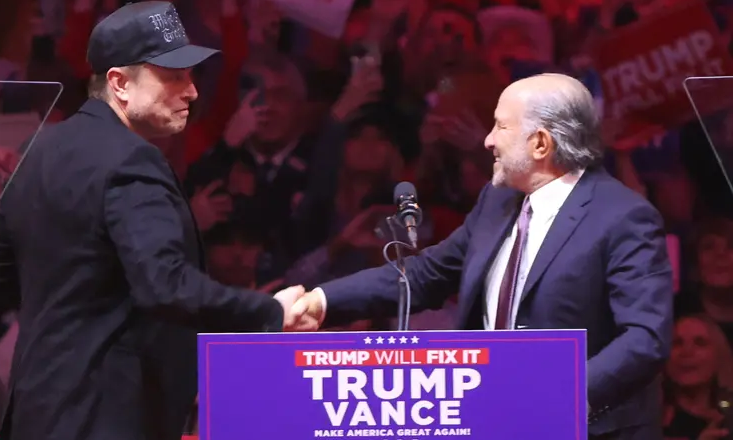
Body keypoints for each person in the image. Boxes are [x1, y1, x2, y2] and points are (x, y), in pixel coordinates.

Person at [0, 1, 309, 440]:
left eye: (190, 76)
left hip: (33, 412)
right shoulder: (133, 162)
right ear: (120, 83)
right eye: (173, 76)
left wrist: (76, 305)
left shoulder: (43, 149)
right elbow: (165, 285)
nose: (192, 91)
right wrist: (267, 311)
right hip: (109, 420)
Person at [288, 73, 674, 440]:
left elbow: (644, 337)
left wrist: (562, 399)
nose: (488, 141)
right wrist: (320, 302)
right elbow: (425, 274)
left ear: (541, 143)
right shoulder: (497, 202)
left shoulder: (623, 216)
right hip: (493, 420)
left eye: (500, 127)